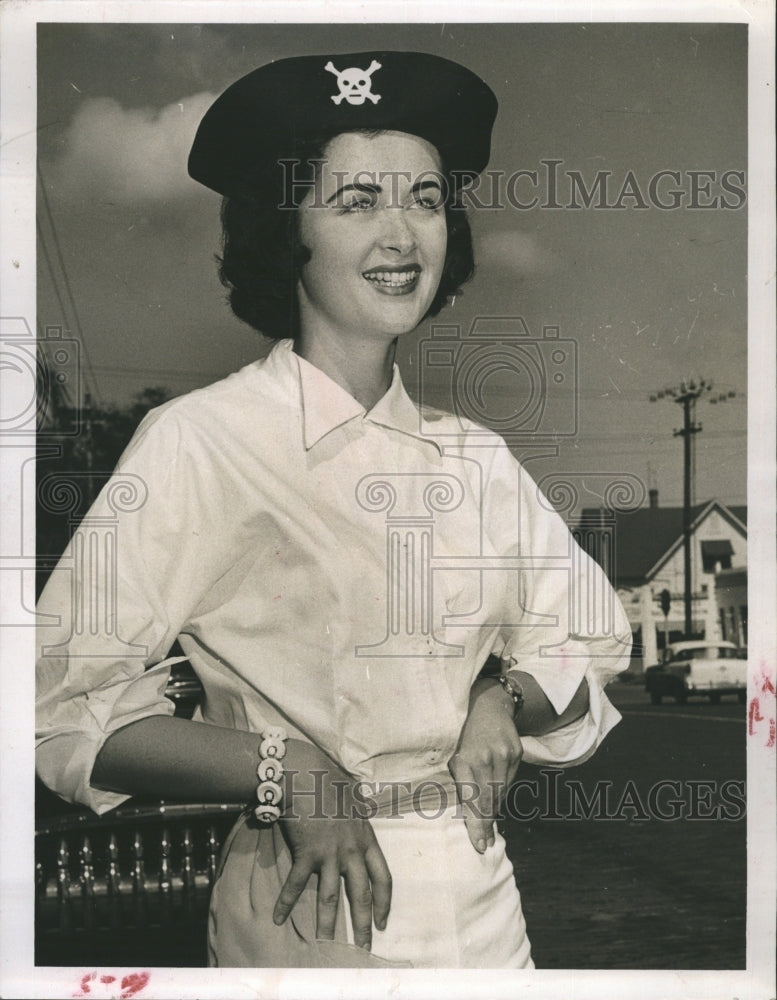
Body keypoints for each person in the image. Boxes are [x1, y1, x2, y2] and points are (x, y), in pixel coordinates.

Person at [36, 50, 632, 968]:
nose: (402, 236)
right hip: (307, 908)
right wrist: (290, 772)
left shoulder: (479, 459)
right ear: (287, 232)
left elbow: (589, 643)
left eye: (425, 200)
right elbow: (51, 704)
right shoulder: (200, 440)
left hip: (483, 905)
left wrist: (497, 695)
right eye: (357, 201)